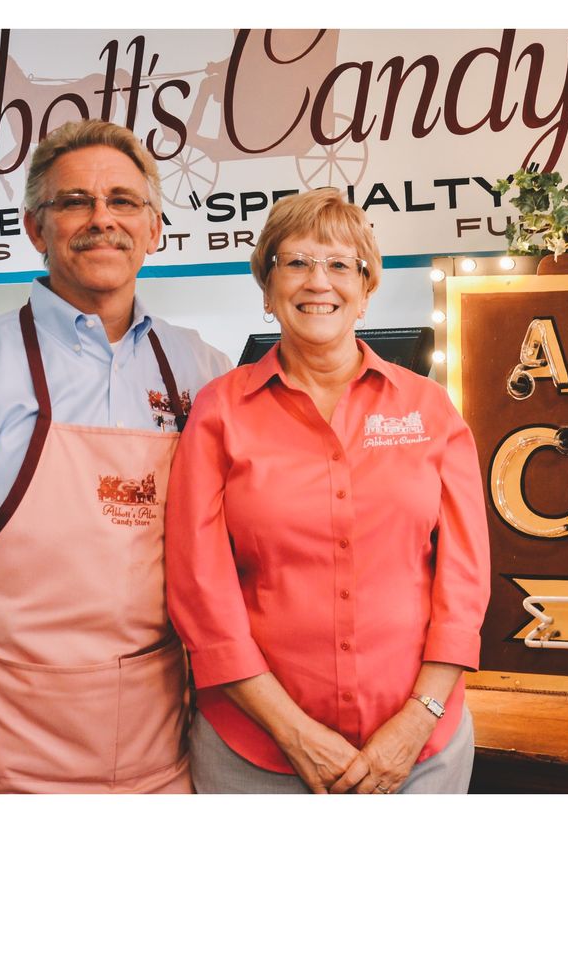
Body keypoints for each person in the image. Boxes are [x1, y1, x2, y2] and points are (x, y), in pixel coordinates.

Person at [0, 119, 232, 793]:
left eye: (122, 201)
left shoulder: (201, 369)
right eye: (74, 202)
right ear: (36, 228)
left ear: (153, 228)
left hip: (159, 749)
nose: (101, 220)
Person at [165, 189, 490, 793]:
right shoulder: (219, 411)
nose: (319, 281)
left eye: (341, 265)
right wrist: (293, 732)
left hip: (420, 755)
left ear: (367, 289)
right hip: (255, 753)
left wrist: (416, 723)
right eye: (296, 263)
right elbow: (199, 591)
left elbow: (464, 584)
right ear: (268, 288)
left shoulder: (429, 409)